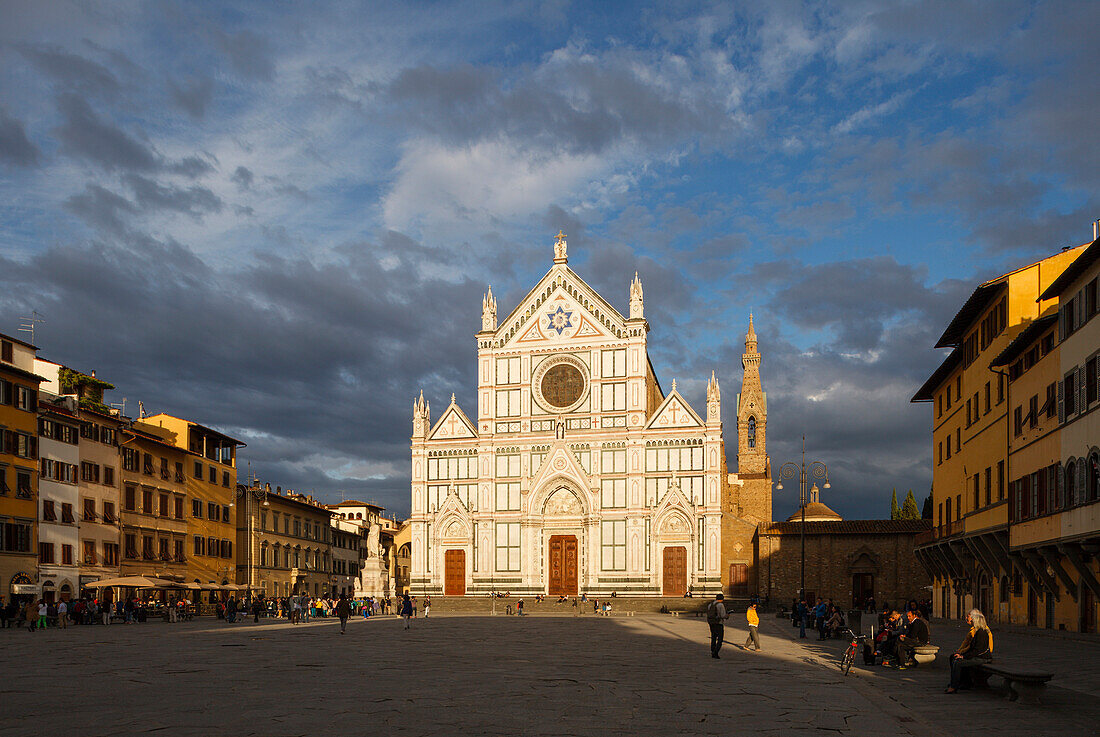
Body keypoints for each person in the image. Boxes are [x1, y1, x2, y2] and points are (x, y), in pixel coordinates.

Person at [946, 609, 993, 693]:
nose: (968, 619)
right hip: (977, 656)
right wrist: (961, 653)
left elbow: (978, 650)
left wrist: (963, 656)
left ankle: (954, 686)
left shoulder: (982, 632)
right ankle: (958, 683)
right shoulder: (978, 631)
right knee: (956, 659)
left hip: (982, 658)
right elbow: (970, 646)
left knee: (958, 662)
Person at [706, 593, 730, 659]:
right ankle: (715, 652)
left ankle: (712, 650)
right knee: (720, 639)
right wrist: (727, 615)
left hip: (711, 623)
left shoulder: (710, 604)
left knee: (713, 637)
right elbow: (722, 615)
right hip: (718, 623)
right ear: (722, 599)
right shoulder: (720, 605)